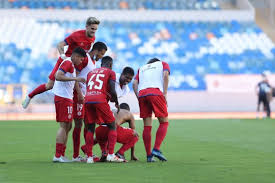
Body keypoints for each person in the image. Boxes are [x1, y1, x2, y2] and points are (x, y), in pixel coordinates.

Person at [22, 17, 100, 109]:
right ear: (86, 27)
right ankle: (30, 96)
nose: (93, 31)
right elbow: (60, 45)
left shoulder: (93, 38)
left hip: (76, 64)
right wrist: (63, 56)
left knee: (77, 84)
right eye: (92, 29)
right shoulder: (76, 35)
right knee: (49, 85)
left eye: (95, 29)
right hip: (65, 61)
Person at [71, 42, 107, 162]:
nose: (102, 56)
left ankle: (88, 152)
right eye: (101, 53)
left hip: (87, 97)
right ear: (96, 50)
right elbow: (75, 74)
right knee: (79, 124)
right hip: (79, 95)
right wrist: (79, 93)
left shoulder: (93, 62)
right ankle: (76, 156)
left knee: (88, 124)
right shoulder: (85, 59)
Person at [84, 56, 124, 163]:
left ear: (101, 64)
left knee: (90, 128)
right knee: (112, 125)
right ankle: (111, 154)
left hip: (87, 99)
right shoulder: (110, 72)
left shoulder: (91, 73)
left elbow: (89, 87)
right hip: (99, 99)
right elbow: (112, 89)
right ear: (110, 65)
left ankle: (89, 157)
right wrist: (116, 102)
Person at [52, 47, 87, 163]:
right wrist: (76, 78)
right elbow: (58, 75)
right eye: (81, 60)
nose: (81, 62)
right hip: (63, 98)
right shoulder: (68, 62)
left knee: (68, 126)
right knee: (64, 126)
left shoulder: (70, 64)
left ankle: (61, 154)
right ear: (76, 56)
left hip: (66, 98)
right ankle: (57, 156)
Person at [133, 58, 170, 162]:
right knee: (164, 123)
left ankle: (149, 156)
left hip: (142, 94)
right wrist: (165, 93)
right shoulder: (163, 64)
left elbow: (134, 84)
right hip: (155, 92)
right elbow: (166, 75)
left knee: (147, 126)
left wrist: (139, 97)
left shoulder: (141, 68)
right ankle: (156, 149)